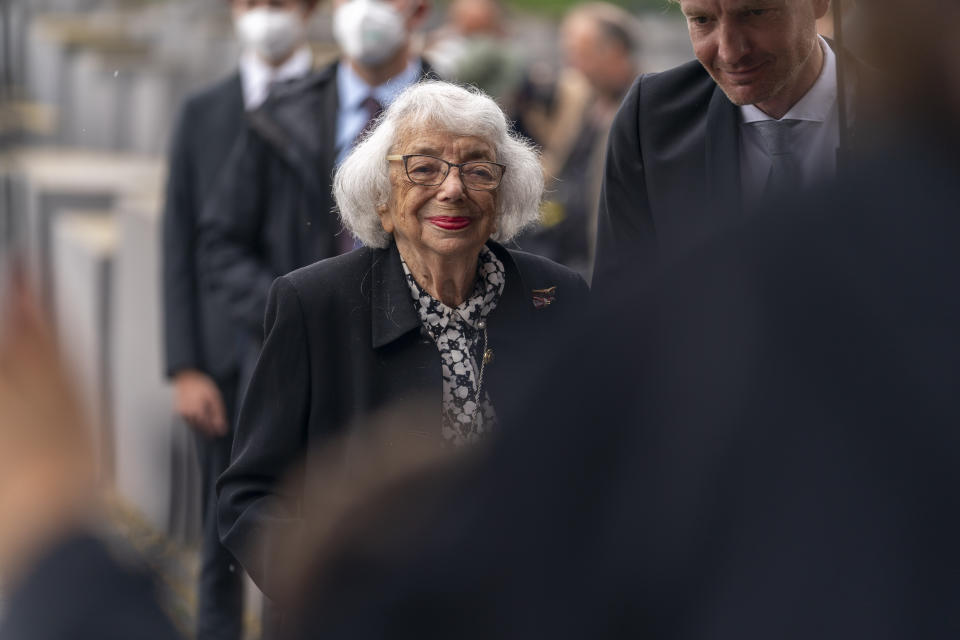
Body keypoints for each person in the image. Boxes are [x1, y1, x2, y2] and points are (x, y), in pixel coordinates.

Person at [217, 80, 589, 602]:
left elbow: (596, 468)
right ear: (383, 199)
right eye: (424, 167)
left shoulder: (557, 297)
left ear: (503, 195)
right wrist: (328, 595)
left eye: (477, 169)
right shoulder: (314, 303)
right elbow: (250, 496)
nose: (453, 189)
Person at [161, 1, 318, 638]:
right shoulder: (204, 110)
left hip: (316, 356)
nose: (265, 14)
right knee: (220, 537)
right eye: (253, 2)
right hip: (224, 364)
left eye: (279, 2)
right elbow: (180, 240)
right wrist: (185, 364)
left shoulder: (335, 101)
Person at [198, 0, 434, 390]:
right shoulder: (279, 115)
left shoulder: (466, 123)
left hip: (420, 378)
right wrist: (289, 315)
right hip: (296, 371)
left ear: (419, 10)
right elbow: (221, 242)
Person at [592, 0, 873, 284]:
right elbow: (621, 303)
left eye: (756, 13)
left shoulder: (908, 118)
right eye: (702, 20)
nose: (730, 53)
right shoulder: (651, 120)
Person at [517, 2, 638, 277]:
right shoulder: (585, 100)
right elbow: (557, 158)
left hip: (608, 262)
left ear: (615, 51)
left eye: (579, 55)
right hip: (565, 254)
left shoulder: (644, 108)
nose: (572, 65)